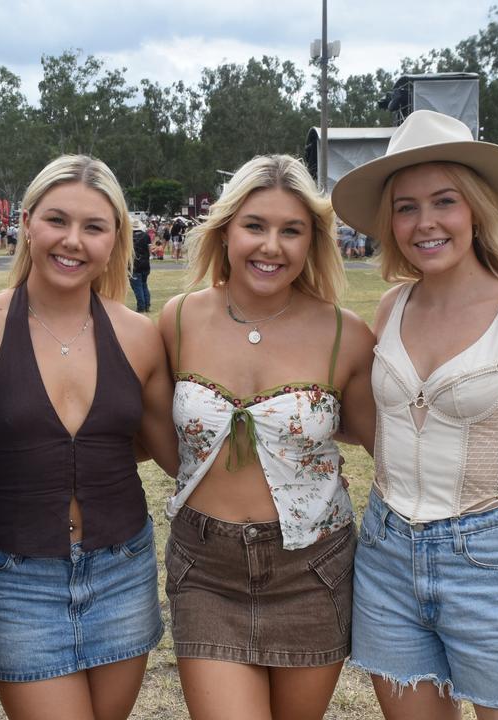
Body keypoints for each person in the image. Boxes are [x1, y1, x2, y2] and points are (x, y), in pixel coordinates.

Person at [331, 109, 498, 718]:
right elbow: (377, 425)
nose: (426, 223)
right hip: (386, 558)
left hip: (492, 566)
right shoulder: (391, 307)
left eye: (444, 201)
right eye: (406, 207)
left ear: (475, 209)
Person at [0, 154, 177, 719]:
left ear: (114, 237)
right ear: (26, 222)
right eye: (57, 220)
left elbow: (172, 452)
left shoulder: (139, 335)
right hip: (18, 578)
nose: (72, 241)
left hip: (123, 567)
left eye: (93, 226)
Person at [159, 154, 378, 720]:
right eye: (255, 226)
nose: (271, 246)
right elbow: (152, 435)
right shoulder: (177, 320)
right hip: (206, 570)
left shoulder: (346, 335)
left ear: (312, 242)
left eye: (291, 231)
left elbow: (392, 444)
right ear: (225, 230)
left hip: (311, 569)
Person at [129, 218, 152, 312]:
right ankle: (147, 305)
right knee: (144, 285)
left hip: (134, 264)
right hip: (145, 264)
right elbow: (149, 250)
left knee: (137, 286)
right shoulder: (146, 236)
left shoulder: (129, 237)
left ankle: (141, 307)